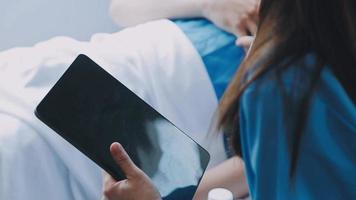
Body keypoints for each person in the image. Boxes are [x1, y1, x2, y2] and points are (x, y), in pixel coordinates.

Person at [103, 0, 356, 199]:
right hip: (121, 61)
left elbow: (270, 165)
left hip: (193, 117)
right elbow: (122, 8)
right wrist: (208, 4)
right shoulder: (279, 83)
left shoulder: (283, 88)